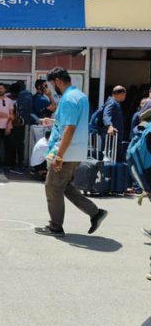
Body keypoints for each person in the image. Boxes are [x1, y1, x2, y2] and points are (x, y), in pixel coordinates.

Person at [35, 67, 108, 237]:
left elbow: (70, 127)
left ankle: (55, 227)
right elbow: (71, 122)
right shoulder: (80, 96)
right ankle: (95, 213)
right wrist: (52, 121)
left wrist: (59, 155)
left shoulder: (68, 99)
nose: (53, 88)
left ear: (58, 81)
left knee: (52, 187)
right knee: (65, 186)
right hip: (76, 150)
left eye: (52, 84)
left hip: (65, 152)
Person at [101, 85, 126, 162]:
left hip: (115, 137)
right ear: (120, 94)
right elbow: (106, 114)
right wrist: (109, 126)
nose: (125, 97)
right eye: (124, 94)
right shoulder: (111, 103)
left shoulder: (115, 103)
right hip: (112, 138)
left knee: (116, 160)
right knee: (112, 160)